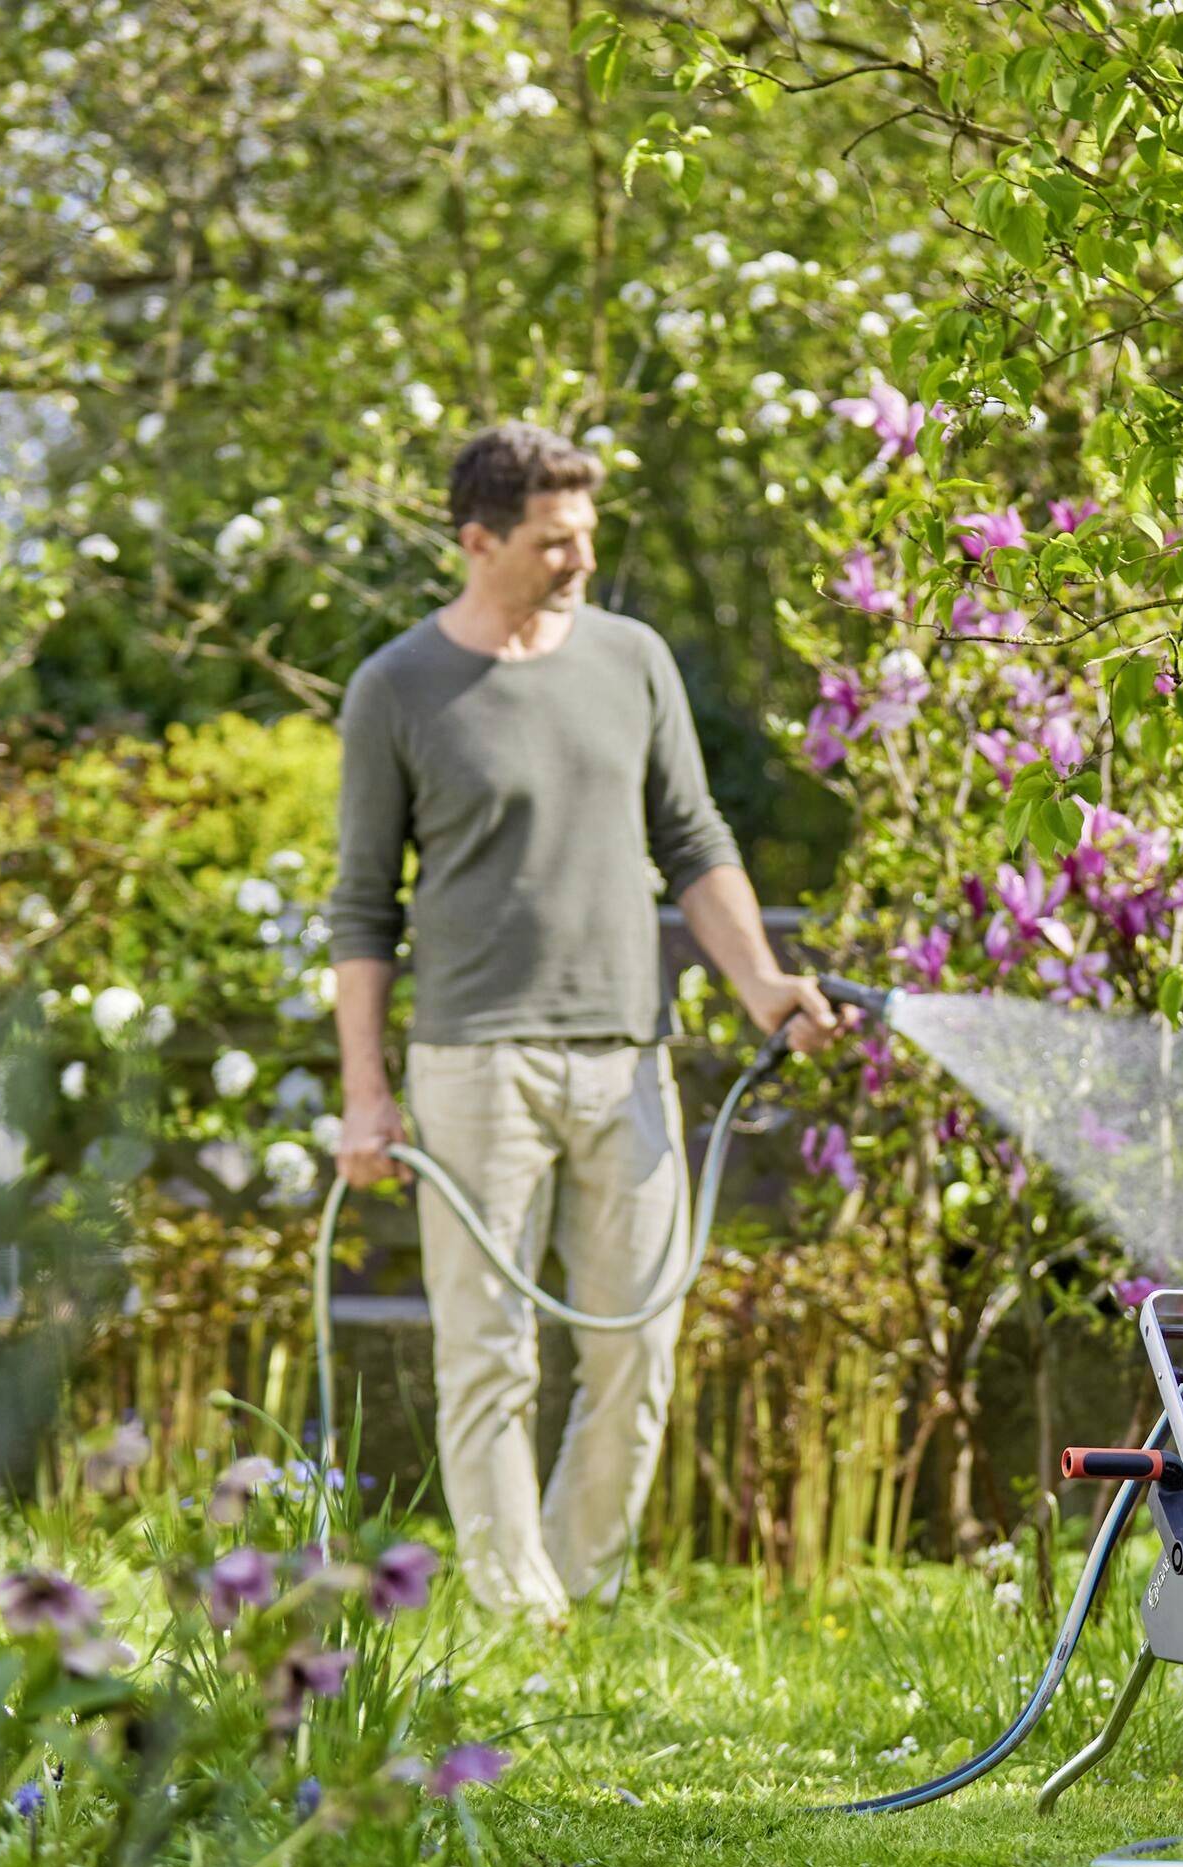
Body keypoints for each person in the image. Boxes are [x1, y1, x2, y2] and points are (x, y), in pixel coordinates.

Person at [328, 421, 836, 1626]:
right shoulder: (396, 687)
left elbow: (695, 840)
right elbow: (360, 908)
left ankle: (580, 1586)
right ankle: (518, 1612)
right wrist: (365, 1089)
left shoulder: (632, 658)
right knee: (487, 1353)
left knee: (637, 1344)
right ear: (477, 539)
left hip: (627, 1054)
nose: (579, 558)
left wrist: (761, 981)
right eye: (555, 540)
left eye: (588, 533)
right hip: (471, 1062)